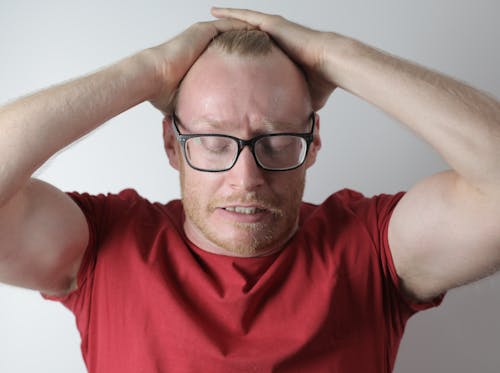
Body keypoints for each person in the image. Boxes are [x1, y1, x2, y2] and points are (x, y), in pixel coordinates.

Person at [0, 6, 499, 373]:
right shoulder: (107, 246)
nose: (247, 179)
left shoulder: (368, 248)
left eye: (277, 140)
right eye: (214, 142)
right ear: (172, 144)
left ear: (314, 139)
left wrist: (336, 55)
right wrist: (147, 72)